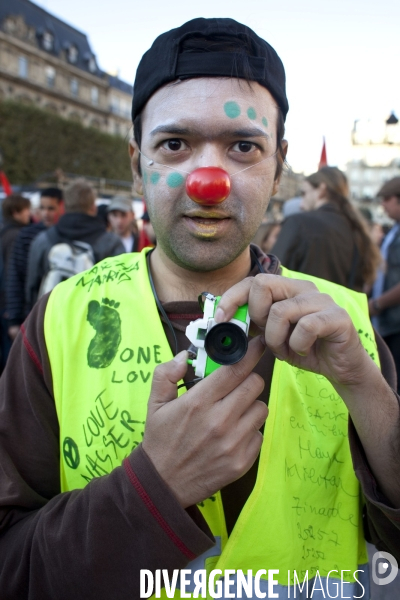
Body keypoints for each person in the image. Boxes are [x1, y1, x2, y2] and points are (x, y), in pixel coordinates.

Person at [0, 18, 399, 600]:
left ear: (278, 165)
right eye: (175, 144)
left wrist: (366, 389)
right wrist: (151, 489)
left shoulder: (345, 325)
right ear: (137, 165)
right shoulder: (61, 317)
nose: (207, 182)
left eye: (243, 146)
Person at [272, 167, 381, 292]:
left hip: (301, 309)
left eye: (304, 193)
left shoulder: (299, 222)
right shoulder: (357, 230)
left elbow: (271, 274)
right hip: (343, 310)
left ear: (322, 190)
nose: (301, 204)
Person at [25, 179, 124, 310]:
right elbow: (120, 289)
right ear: (93, 207)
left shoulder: (43, 240)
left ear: (64, 206)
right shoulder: (111, 243)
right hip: (93, 323)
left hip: (51, 319)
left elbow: (32, 287)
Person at [5, 187, 64, 342]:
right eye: (42, 208)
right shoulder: (26, 235)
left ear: (61, 207)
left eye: (51, 208)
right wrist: (14, 319)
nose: (46, 213)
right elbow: (15, 277)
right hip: (29, 314)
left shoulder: (67, 236)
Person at [369, 177, 400, 393]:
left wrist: (377, 304)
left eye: (387, 199)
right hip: (387, 321)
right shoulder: (394, 230)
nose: (383, 204)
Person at [0, 194, 31, 370]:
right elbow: (12, 275)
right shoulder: (15, 236)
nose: (29, 213)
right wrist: (13, 311)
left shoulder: (4, 232)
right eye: (26, 209)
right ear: (15, 212)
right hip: (8, 305)